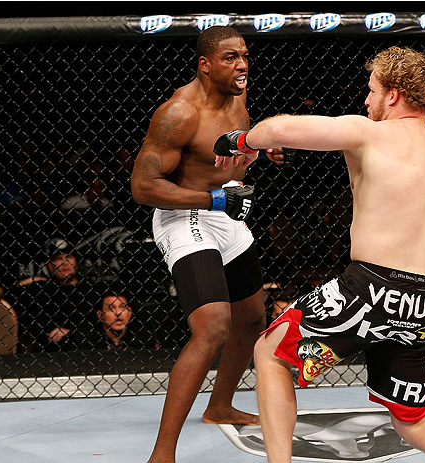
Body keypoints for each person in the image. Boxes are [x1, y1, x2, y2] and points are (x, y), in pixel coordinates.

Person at [214, 46, 425, 462]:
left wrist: (241, 139)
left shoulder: (368, 133)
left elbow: (281, 129)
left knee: (272, 354)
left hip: (369, 288)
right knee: (413, 422)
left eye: (372, 90)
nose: (366, 100)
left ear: (394, 95)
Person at [130, 25, 289, 463]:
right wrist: (213, 198)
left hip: (225, 213)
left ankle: (219, 406)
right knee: (213, 326)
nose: (242, 65)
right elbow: (143, 186)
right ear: (204, 64)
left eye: (244, 56)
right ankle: (162, 454)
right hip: (184, 216)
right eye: (230, 58)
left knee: (252, 317)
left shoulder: (236, 96)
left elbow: (230, 147)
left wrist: (258, 151)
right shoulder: (178, 113)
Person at [10, 251, 93, 352]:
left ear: (76, 263)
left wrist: (71, 331)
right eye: (59, 259)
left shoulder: (90, 290)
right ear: (50, 266)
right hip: (46, 352)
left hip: (84, 349)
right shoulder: (42, 289)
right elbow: (7, 293)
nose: (65, 263)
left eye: (69, 257)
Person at [75, 288, 155, 350]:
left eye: (122, 307)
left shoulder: (144, 338)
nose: (118, 313)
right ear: (100, 315)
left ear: (130, 312)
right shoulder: (85, 340)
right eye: (110, 309)